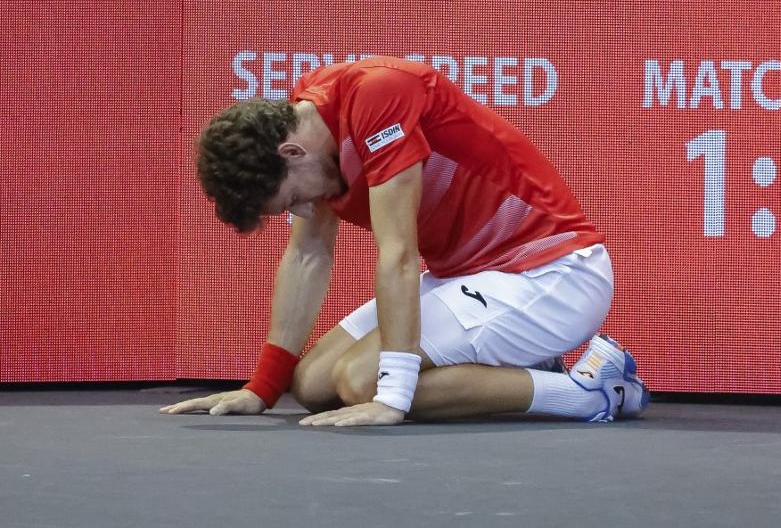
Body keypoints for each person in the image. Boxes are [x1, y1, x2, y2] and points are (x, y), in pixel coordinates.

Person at [161, 55, 648, 426]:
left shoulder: (379, 96)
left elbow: (398, 255)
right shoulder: (309, 125)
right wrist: (263, 388)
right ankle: (526, 364)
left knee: (359, 382)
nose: (305, 212)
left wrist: (392, 399)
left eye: (291, 200)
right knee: (310, 385)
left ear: (291, 152)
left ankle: (589, 395)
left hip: (552, 274)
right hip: (471, 276)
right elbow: (308, 252)